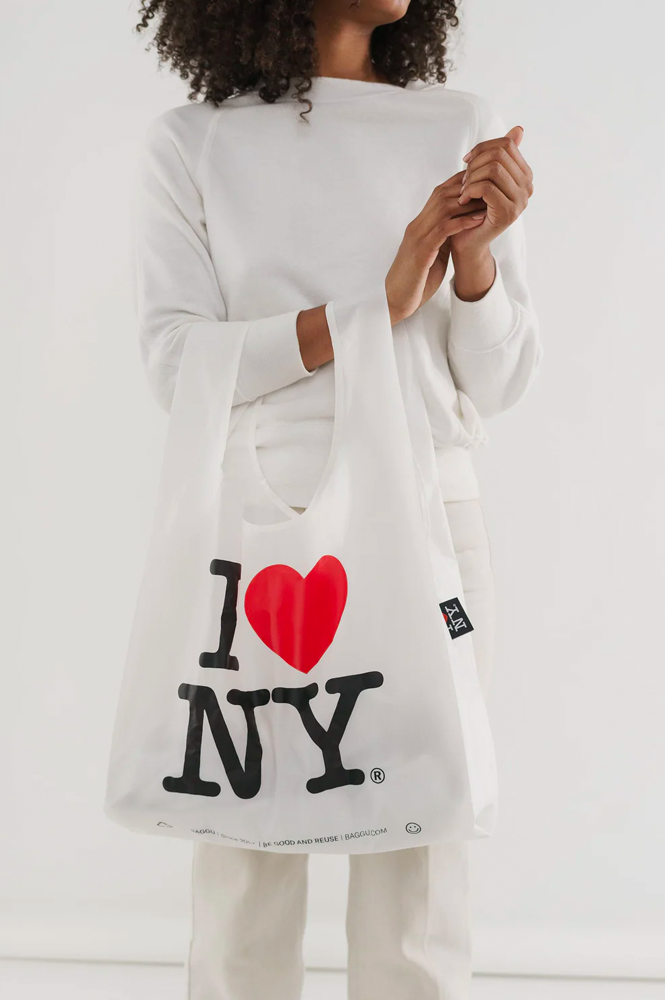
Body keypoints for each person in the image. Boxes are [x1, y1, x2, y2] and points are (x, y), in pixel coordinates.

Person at [132, 0, 542, 996]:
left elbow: (498, 381)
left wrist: (475, 264)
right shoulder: (195, 142)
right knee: (245, 834)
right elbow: (176, 361)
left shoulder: (455, 125)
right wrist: (372, 308)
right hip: (262, 522)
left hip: (430, 510)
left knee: (421, 833)